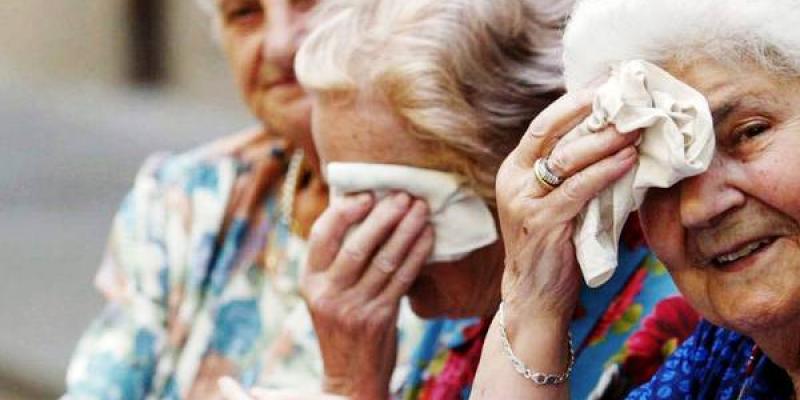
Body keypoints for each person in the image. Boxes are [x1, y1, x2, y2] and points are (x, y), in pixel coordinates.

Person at [228, 0, 695, 399]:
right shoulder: (457, 299)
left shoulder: (681, 325)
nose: (350, 230)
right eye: (340, 193)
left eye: (386, 198)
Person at [472, 0, 800, 398]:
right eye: (658, 175)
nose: (699, 208)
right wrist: (532, 298)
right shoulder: (722, 363)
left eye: (749, 133)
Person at [62, 0, 380, 398]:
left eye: (309, 2)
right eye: (245, 13)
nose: (280, 44)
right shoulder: (185, 201)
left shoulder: (460, 239)